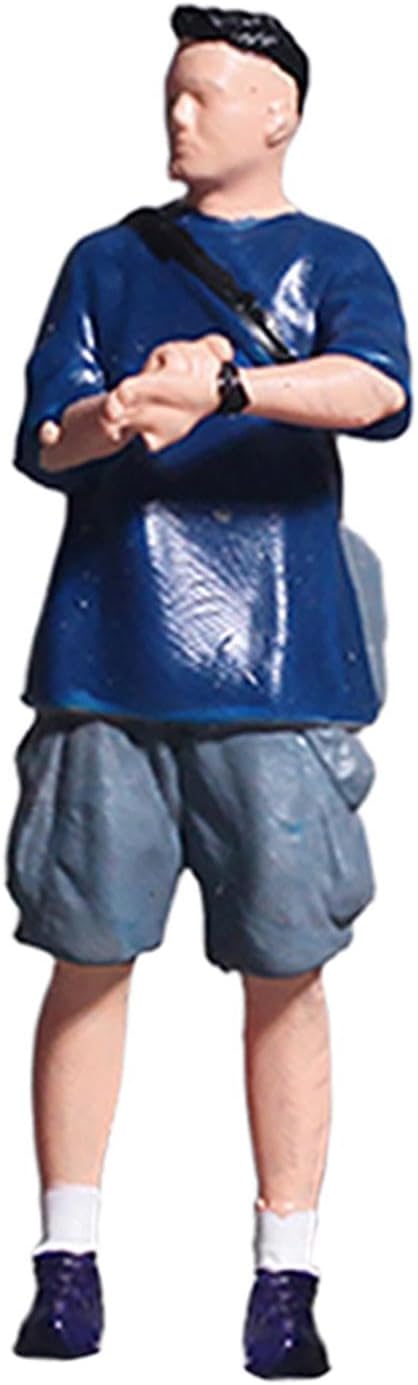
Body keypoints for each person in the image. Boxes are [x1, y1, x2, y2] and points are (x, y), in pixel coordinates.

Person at [7, 4, 411, 1375]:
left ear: (277, 114)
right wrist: (118, 412)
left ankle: (286, 1275)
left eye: (207, 94)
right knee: (85, 958)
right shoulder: (105, 259)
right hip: (107, 664)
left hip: (278, 672)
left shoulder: (335, 258)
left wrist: (227, 385)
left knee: (288, 972)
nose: (178, 115)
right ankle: (65, 1258)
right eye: (171, 92)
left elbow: (375, 390)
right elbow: (44, 439)